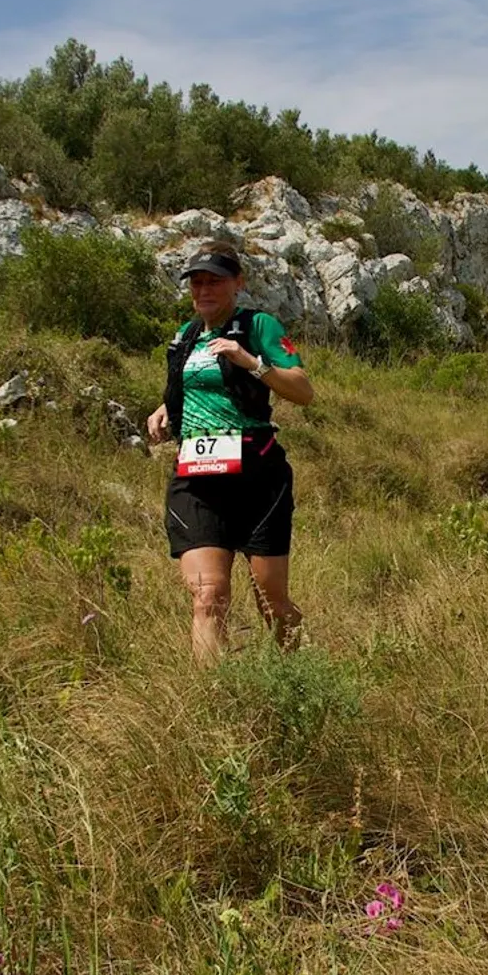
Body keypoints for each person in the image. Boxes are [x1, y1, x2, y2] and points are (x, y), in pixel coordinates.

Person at [147, 241, 314, 664]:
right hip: (197, 479)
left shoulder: (258, 326)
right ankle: (216, 705)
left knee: (271, 600)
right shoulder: (186, 336)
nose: (204, 291)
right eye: (197, 283)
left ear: (238, 283)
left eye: (215, 281)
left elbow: (303, 391)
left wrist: (251, 362)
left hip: (257, 476)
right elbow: (197, 387)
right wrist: (167, 409)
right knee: (208, 596)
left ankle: (298, 678)